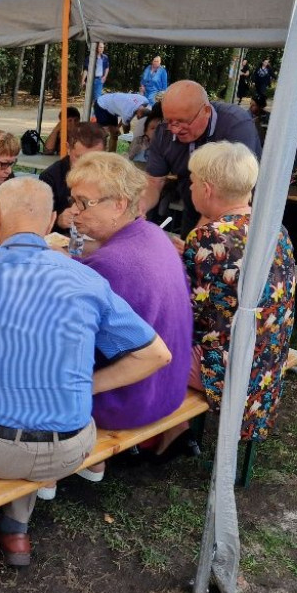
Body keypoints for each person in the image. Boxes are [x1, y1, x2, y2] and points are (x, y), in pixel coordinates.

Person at [0, 176, 171, 566]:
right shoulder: (87, 277)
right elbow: (156, 355)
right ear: (52, 218)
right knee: (30, 402)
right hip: (71, 447)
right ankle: (15, 530)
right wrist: (88, 385)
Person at [67, 153, 193, 467]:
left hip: (129, 402)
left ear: (119, 204)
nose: (73, 212)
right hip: (169, 388)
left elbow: (70, 342)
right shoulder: (152, 235)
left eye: (83, 203)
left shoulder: (109, 265)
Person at [181, 141, 295, 442]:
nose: (189, 189)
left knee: (146, 348)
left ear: (206, 189)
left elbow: (186, 312)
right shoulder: (274, 228)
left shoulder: (207, 236)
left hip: (228, 371)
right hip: (267, 362)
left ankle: (168, 436)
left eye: (191, 183)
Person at [140, 80, 262, 236]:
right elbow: (154, 181)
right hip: (194, 206)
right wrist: (140, 206)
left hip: (235, 219)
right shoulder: (164, 132)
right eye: (169, 121)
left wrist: (195, 240)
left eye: (182, 122)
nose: (175, 129)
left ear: (206, 111)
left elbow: (224, 196)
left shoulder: (236, 125)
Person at [38, 123, 105, 236]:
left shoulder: (113, 176)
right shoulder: (51, 177)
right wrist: (58, 220)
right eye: (79, 158)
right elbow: (38, 222)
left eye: (94, 159)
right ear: (68, 149)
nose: (86, 165)